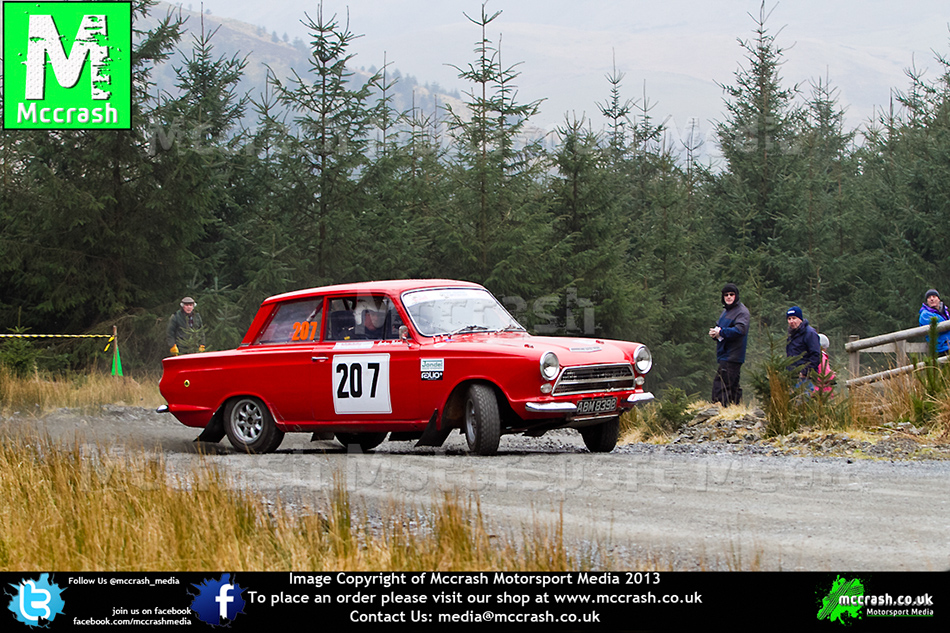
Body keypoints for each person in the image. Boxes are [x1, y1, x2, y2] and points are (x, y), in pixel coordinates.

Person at [708, 283, 750, 406]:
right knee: (733, 386)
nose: (729, 297)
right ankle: (735, 409)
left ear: (736, 296)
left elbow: (740, 330)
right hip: (725, 353)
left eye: (731, 294)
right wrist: (716, 334)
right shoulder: (726, 312)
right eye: (726, 295)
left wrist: (721, 332)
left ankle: (719, 410)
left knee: (721, 385)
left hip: (733, 355)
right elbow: (721, 329)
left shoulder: (742, 312)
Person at [785, 306, 821, 386]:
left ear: (800, 319)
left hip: (806, 379)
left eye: (794, 318)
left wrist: (805, 372)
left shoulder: (810, 333)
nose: (791, 321)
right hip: (793, 376)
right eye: (789, 319)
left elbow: (816, 355)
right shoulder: (791, 335)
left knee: (804, 398)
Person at [917, 288, 950, 355]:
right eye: (929, 297)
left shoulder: (944, 311)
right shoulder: (925, 314)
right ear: (927, 301)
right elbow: (941, 328)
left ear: (938, 299)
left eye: (934, 296)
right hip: (940, 348)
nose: (932, 299)